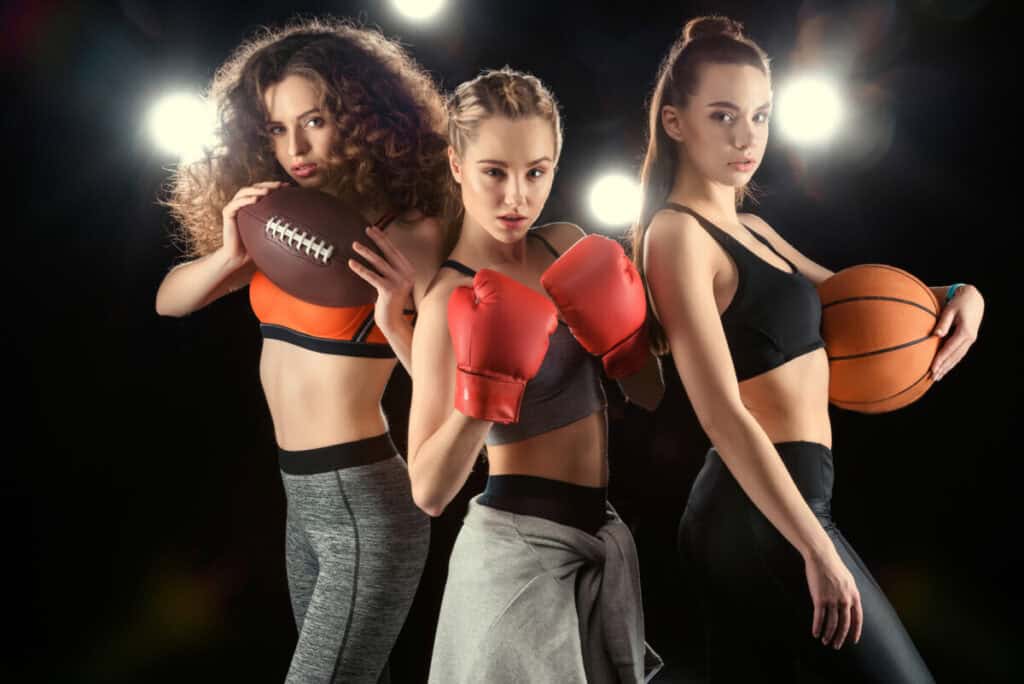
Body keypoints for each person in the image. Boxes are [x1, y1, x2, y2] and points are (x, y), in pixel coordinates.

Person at [632, 15, 985, 682]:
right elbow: (721, 414)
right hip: (759, 513)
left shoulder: (753, 226)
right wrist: (816, 548)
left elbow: (856, 301)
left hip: (784, 509)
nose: (747, 138)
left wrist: (966, 292)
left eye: (761, 117)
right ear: (676, 122)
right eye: (724, 116)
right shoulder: (676, 238)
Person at [154, 18, 452, 684]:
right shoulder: (281, 225)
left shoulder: (410, 230)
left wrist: (395, 317)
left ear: (362, 115)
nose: (296, 146)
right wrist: (231, 254)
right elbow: (169, 301)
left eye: (314, 120)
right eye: (277, 129)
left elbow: (451, 385)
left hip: (367, 504)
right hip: (301, 498)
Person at [407, 67, 665, 683]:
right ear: (457, 165)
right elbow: (429, 490)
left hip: (598, 535)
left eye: (536, 172)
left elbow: (652, 395)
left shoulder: (567, 247)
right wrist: (483, 396)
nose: (516, 198)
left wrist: (628, 349)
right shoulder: (449, 296)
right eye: (494, 172)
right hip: (513, 555)